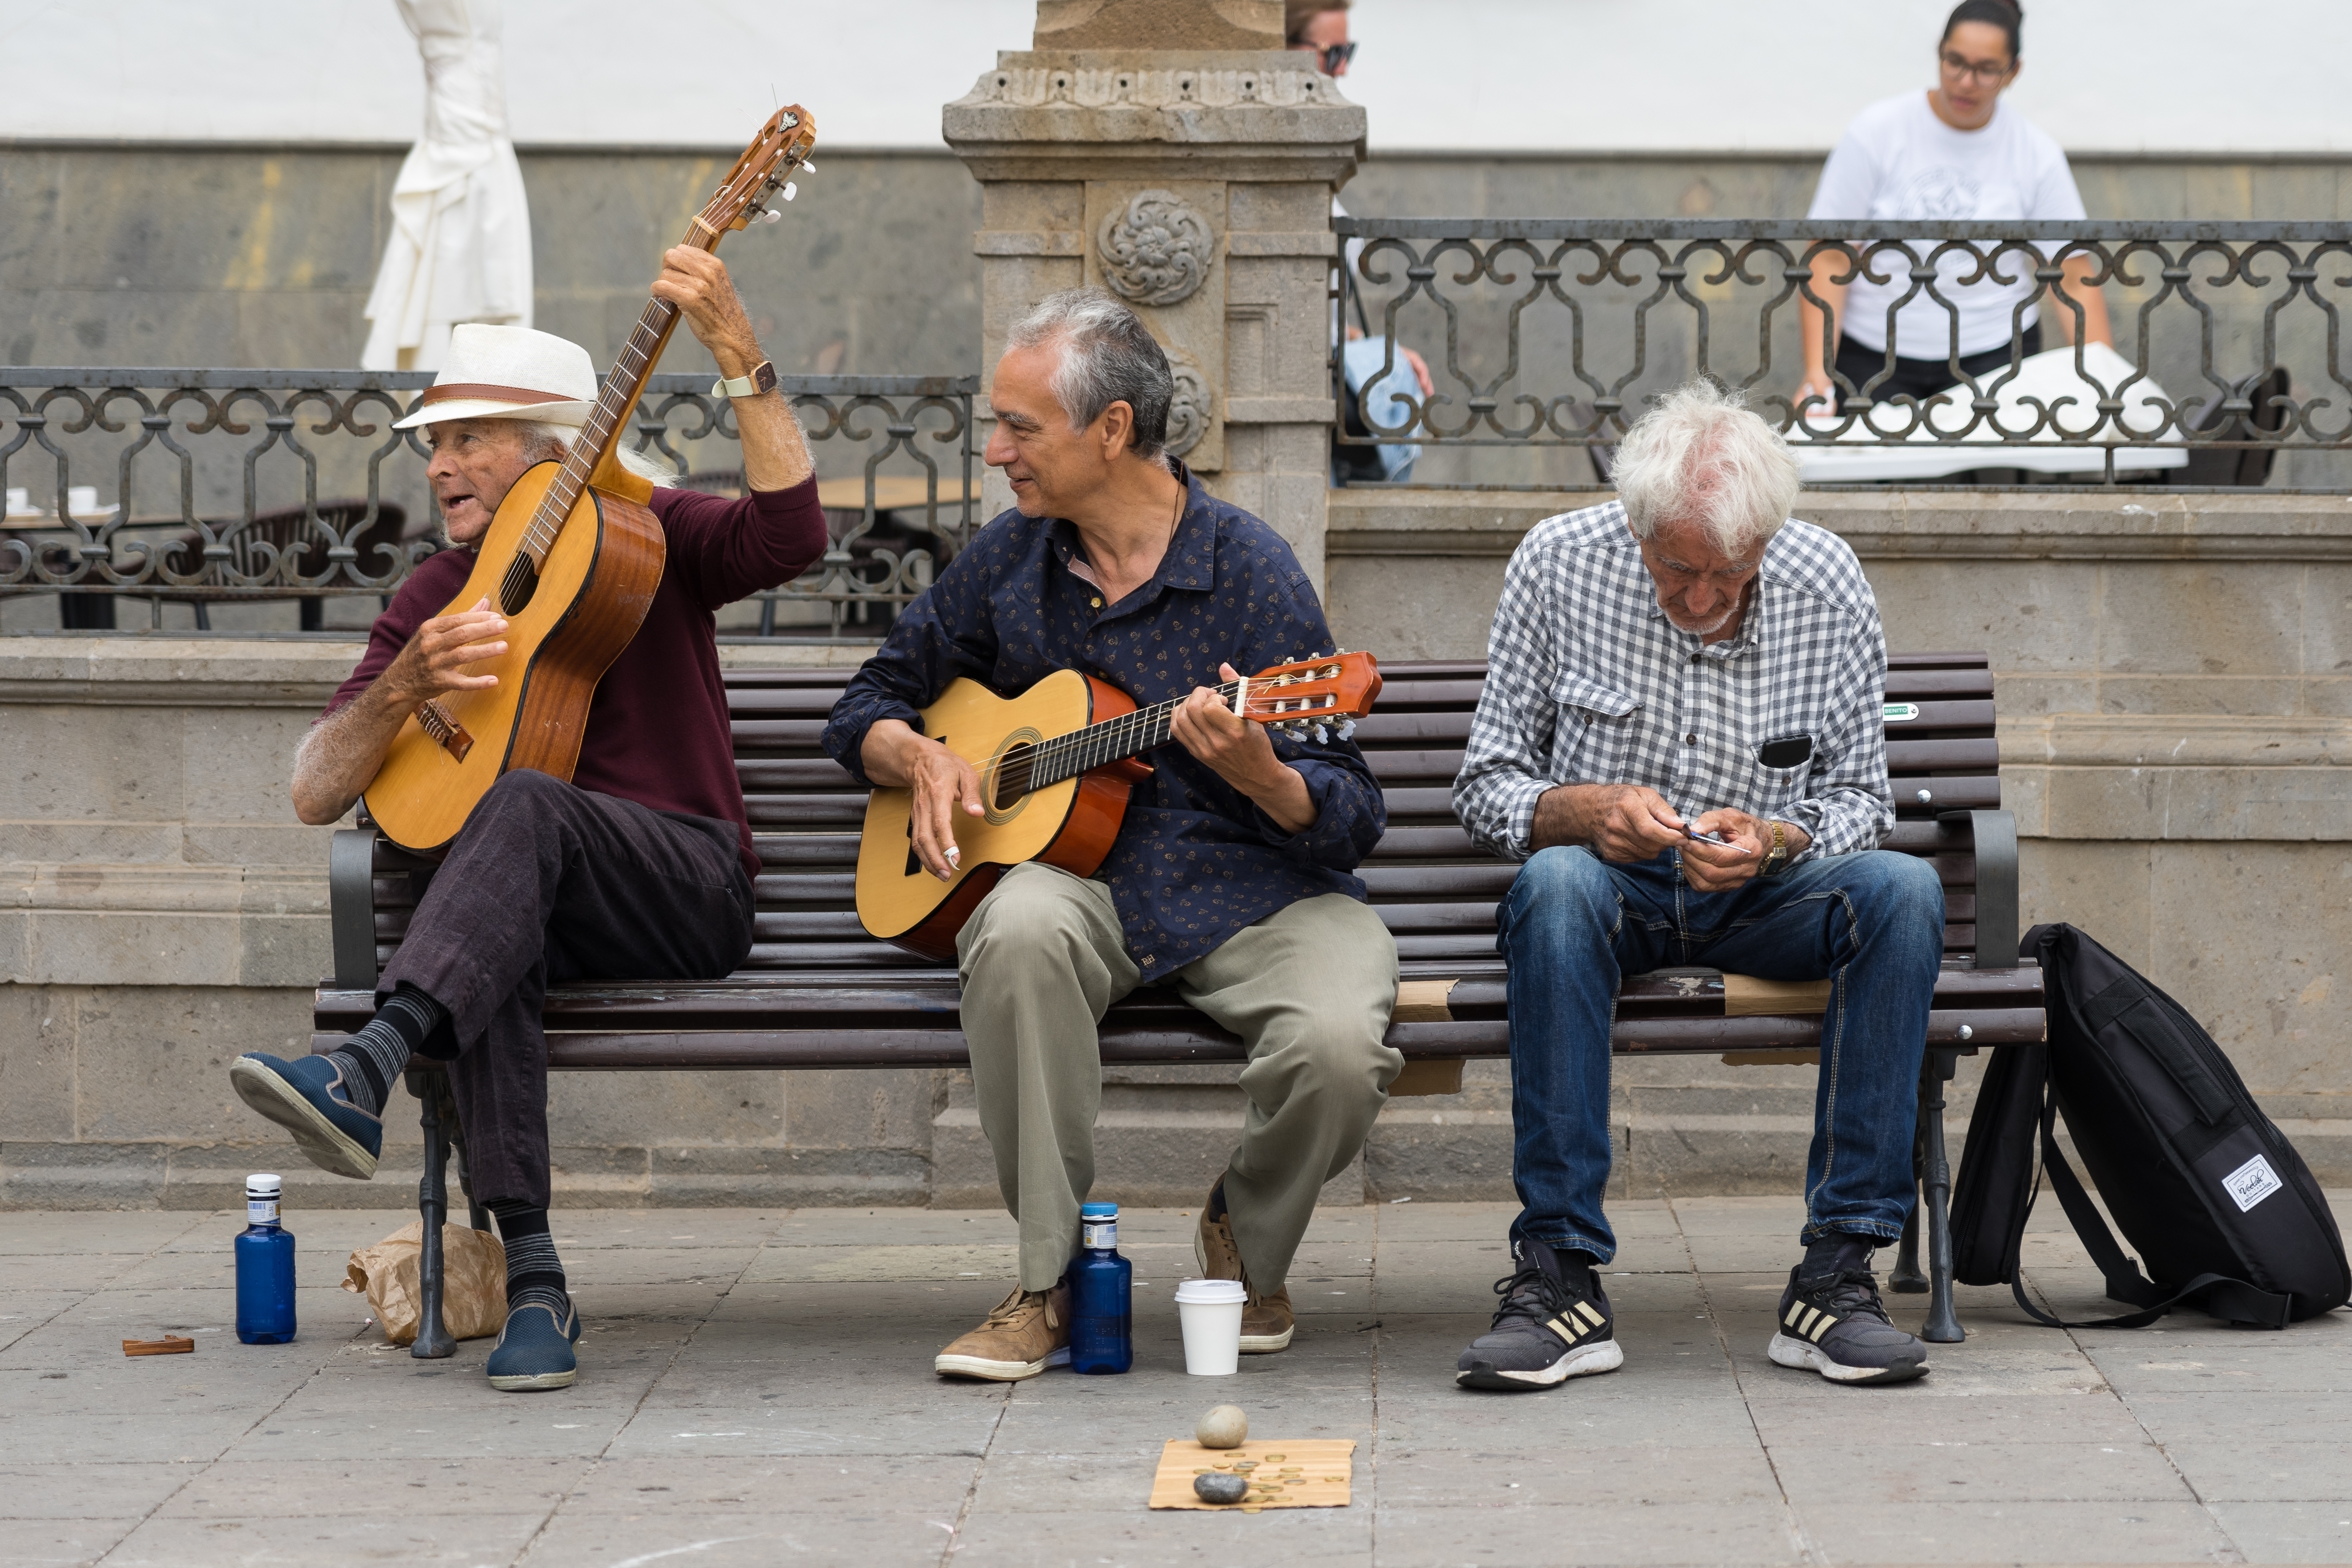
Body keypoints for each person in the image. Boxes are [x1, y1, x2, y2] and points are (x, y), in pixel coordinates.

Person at [227, 253, 826, 1394]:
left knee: (520, 809)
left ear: (553, 450)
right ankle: (538, 1282)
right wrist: (402, 688)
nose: (439, 465)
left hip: (685, 888)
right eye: (435, 443)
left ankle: (368, 1060)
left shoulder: (650, 534)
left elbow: (793, 538)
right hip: (526, 910)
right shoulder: (433, 598)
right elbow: (314, 789)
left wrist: (740, 353)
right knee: (499, 922)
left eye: (470, 439)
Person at [823, 287, 1400, 1381]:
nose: (996, 451)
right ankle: (1048, 1281)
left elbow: (1349, 810)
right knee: (1016, 930)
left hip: (1251, 888)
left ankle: (1245, 1235)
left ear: (1112, 430)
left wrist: (1266, 774)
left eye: (1019, 427)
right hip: (1074, 882)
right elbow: (867, 701)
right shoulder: (1010, 560)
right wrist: (920, 757)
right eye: (997, 425)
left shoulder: (1249, 570)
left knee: (1338, 1046)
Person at [1451, 379, 1945, 1391]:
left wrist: (1777, 837)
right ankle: (1559, 1278)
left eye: (1734, 571)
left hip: (1768, 896)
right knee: (1555, 884)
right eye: (1679, 570)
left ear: (1769, 538)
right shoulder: (1558, 562)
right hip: (1612, 893)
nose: (1708, 599)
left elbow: (1864, 795)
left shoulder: (1827, 578)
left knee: (1902, 891)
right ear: (1637, 529)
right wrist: (1585, 811)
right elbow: (1486, 785)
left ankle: (1838, 1276)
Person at [1795, 0, 2111, 416]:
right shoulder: (1877, 132)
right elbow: (1829, 256)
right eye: (1955, 62)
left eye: (1986, 69)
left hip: (1995, 358)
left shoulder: (2036, 153)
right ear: (1939, 53)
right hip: (1873, 356)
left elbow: (2072, 275)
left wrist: (2105, 386)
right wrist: (1818, 374)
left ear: (2013, 72)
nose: (1966, 82)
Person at [1288, 0, 1434, 483]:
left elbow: (1314, 314)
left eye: (1347, 52)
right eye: (1332, 53)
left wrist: (1379, 355)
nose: (1343, 69)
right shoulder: (1277, 156)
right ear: (1282, 50)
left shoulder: (1310, 151)